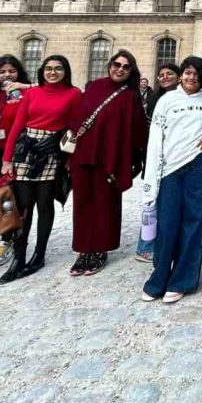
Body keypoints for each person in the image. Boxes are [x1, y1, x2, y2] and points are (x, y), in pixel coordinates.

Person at [141, 56, 202, 304]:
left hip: (198, 165)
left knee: (193, 223)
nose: (191, 78)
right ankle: (159, 277)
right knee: (167, 224)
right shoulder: (166, 101)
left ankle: (184, 279)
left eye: (197, 75)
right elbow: (155, 140)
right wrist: (150, 179)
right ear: (181, 74)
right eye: (188, 73)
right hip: (169, 168)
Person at [0, 55, 82, 283]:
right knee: (24, 206)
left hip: (51, 150)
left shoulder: (74, 94)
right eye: (48, 69)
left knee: (44, 203)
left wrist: (67, 157)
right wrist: (7, 159)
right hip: (27, 148)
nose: (53, 72)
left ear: (65, 71)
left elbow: (74, 127)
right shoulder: (33, 93)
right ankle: (19, 256)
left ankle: (40, 254)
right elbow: (18, 125)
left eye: (58, 69)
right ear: (42, 71)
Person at [68, 50, 148, 277]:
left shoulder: (129, 95)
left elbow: (138, 131)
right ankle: (84, 249)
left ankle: (100, 249)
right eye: (116, 64)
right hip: (84, 154)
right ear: (109, 66)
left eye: (125, 66)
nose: (120, 69)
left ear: (131, 71)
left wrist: (130, 160)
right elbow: (77, 118)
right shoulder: (94, 87)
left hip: (110, 158)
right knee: (82, 202)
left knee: (105, 204)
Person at [0, 55, 33, 269]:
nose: (7, 75)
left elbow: (51, 88)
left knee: (18, 199)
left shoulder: (24, 93)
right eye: (2, 71)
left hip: (18, 152)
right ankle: (3, 235)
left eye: (11, 71)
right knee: (1, 197)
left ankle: (11, 241)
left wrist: (24, 86)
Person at [136, 62, 181, 263]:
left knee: (167, 202)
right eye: (161, 75)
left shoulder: (180, 97)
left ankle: (163, 243)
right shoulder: (155, 99)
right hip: (155, 156)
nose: (164, 77)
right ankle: (145, 246)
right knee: (151, 201)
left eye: (169, 74)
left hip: (175, 156)